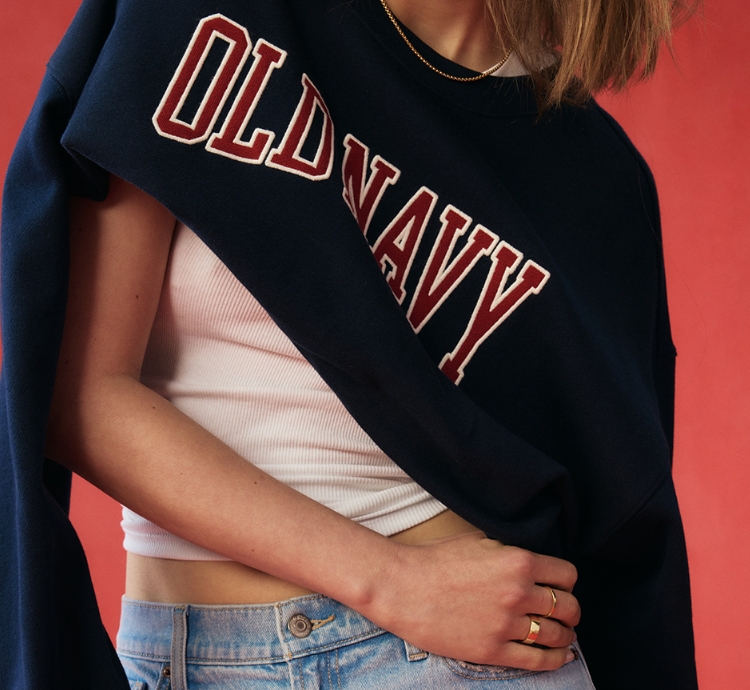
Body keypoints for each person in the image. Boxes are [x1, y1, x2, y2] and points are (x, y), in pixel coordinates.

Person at [0, 0, 699, 688]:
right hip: (180, 651)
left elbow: (626, 536)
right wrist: (387, 581)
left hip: (461, 667)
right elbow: (77, 400)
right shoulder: (209, 18)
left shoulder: (600, 180)